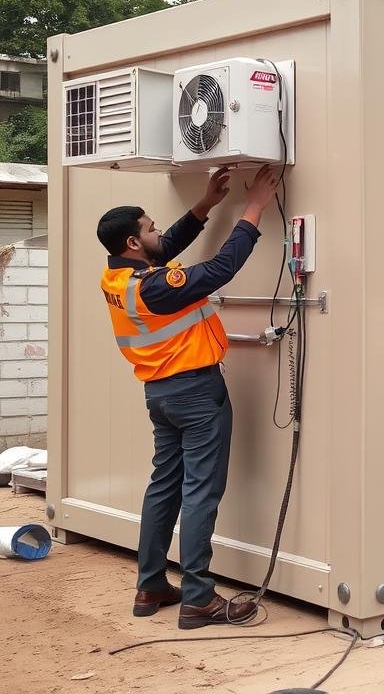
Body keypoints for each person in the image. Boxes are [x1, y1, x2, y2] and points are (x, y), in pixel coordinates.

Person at [96, 165, 279, 630]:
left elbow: (165, 248)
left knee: (164, 488)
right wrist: (254, 204)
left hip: (160, 395)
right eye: (150, 227)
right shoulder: (155, 288)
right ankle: (199, 598)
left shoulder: (119, 278)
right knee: (201, 491)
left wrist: (205, 205)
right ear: (134, 243)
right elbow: (221, 268)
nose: (158, 230)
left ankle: (151, 584)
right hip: (197, 394)